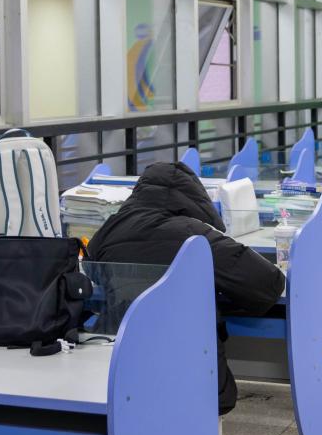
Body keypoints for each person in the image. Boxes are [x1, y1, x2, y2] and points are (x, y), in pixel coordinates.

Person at [87, 162, 286, 415]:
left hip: (121, 363)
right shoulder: (194, 235)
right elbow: (268, 283)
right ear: (191, 198)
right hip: (190, 367)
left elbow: (96, 274)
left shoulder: (106, 233)